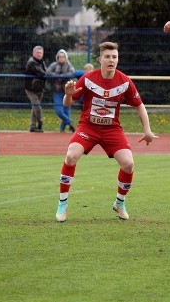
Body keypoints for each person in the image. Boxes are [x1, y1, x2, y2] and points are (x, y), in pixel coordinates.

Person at [54, 42, 158, 223]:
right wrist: (69, 94)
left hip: (112, 129)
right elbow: (67, 103)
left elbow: (139, 105)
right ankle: (62, 204)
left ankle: (120, 202)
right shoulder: (87, 79)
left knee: (128, 164)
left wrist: (147, 130)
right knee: (71, 156)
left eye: (115, 57)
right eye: (108, 57)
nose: (111, 60)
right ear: (100, 59)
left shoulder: (124, 81)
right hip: (88, 127)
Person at [46, 49, 76, 133]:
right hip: (57, 90)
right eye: (60, 57)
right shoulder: (54, 65)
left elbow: (72, 73)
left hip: (67, 91)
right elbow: (48, 72)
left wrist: (62, 76)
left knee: (67, 111)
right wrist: (56, 76)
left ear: (65, 57)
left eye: (63, 57)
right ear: (57, 57)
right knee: (59, 111)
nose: (61, 58)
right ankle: (70, 122)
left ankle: (62, 130)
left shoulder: (69, 65)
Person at [24, 45, 47, 132]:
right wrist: (49, 74)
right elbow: (42, 73)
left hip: (40, 88)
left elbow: (45, 72)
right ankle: (40, 122)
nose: (39, 54)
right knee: (37, 106)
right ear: (33, 53)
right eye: (37, 52)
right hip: (31, 88)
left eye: (40, 53)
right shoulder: (31, 62)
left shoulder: (42, 62)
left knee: (34, 107)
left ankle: (32, 126)